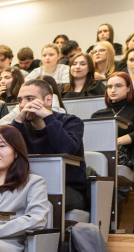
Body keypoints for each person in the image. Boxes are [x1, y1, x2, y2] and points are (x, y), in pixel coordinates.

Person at [11, 79, 87, 211]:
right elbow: (6, 151)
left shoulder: (71, 122)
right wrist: (18, 120)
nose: (23, 105)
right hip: (29, 188)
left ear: (48, 100)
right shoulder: (21, 126)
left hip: (67, 189)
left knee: (36, 201)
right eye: (19, 100)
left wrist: (47, 117)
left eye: (29, 99)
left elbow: (66, 150)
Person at [91, 73, 134, 164]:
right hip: (100, 153)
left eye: (118, 86)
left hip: (124, 153)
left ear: (128, 88)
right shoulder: (97, 115)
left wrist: (115, 142)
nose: (113, 90)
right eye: (109, 87)